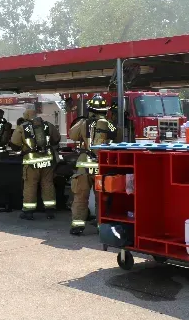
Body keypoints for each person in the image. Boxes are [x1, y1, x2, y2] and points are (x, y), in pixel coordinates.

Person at [68, 94, 116, 235]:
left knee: (80, 197)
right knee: (101, 197)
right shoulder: (111, 125)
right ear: (104, 110)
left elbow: (72, 135)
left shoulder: (84, 123)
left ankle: (77, 226)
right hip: (102, 166)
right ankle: (102, 226)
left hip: (84, 165)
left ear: (90, 109)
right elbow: (118, 139)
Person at [10, 109, 61, 220]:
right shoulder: (48, 125)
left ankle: (28, 212)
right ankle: (50, 210)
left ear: (26, 116)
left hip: (31, 162)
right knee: (48, 184)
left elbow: (14, 144)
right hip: (47, 161)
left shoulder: (22, 127)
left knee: (30, 186)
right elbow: (56, 139)